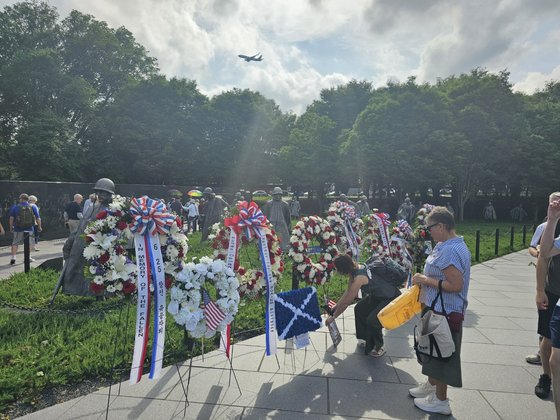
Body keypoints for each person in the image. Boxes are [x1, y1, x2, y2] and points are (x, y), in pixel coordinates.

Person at [408, 206, 471, 416]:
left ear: (441, 226)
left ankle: (441, 400)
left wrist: (425, 280)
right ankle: (432, 385)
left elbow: (456, 285)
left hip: (445, 311)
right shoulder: (451, 244)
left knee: (442, 353)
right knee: (433, 350)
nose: (428, 232)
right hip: (439, 308)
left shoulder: (449, 250)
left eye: (430, 228)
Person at [325, 254, 400, 357]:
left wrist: (333, 317)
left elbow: (347, 302)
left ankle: (379, 347)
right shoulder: (354, 269)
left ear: (343, 268)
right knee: (359, 309)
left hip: (389, 296)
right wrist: (336, 306)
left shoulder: (359, 277)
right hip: (378, 295)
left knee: (373, 320)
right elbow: (348, 292)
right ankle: (364, 338)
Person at [56, 178, 114, 297]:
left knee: (96, 273)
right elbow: (81, 225)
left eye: (103, 192)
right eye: (98, 192)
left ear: (110, 194)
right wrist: (70, 241)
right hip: (82, 244)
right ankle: (77, 291)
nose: (100, 195)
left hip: (99, 247)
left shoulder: (112, 210)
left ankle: (101, 295)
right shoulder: (93, 207)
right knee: (76, 270)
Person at [534, 193, 560, 401]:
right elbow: (543, 254)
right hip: (555, 292)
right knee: (548, 338)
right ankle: (546, 376)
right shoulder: (551, 226)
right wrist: (540, 289)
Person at [8, 193, 42, 265]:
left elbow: (11, 218)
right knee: (29, 243)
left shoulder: (16, 207)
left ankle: (13, 257)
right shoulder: (32, 206)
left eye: (19, 198)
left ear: (22, 199)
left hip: (18, 228)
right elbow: (38, 218)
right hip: (29, 228)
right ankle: (28, 257)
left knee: (15, 243)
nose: (19, 199)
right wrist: (39, 226)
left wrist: (10, 227)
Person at [263, 187, 292, 252]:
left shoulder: (285, 204)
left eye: (279, 194)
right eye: (276, 194)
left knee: (282, 241)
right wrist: (265, 225)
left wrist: (289, 227)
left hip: (282, 225)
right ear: (273, 195)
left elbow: (288, 217)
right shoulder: (269, 204)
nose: (278, 196)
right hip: (271, 225)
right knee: (270, 239)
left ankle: (283, 250)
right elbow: (266, 215)